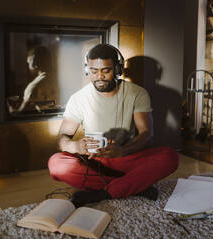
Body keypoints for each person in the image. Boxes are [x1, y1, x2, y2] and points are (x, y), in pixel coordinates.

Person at [47, 44, 179, 207]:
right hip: (93, 162)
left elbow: (146, 133)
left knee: (170, 156)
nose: (99, 77)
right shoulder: (78, 98)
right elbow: (61, 138)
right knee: (56, 163)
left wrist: (123, 151)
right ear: (88, 70)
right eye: (94, 71)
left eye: (106, 70)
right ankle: (133, 186)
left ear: (117, 69)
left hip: (125, 157)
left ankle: (104, 193)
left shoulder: (137, 93)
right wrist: (75, 146)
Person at [7, 46, 54, 114]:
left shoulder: (36, 84)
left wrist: (11, 110)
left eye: (29, 63)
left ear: (35, 63)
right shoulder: (47, 78)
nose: (28, 66)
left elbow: (20, 113)